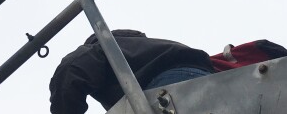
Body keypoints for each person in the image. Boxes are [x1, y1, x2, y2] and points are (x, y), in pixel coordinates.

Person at [49, 29, 214, 114]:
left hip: (165, 88)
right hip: (209, 80)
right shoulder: (149, 47)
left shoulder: (102, 48)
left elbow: (70, 71)